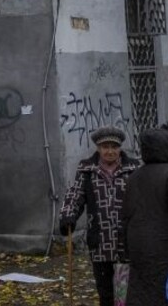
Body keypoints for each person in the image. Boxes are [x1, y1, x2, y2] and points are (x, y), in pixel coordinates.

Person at [60, 126, 140, 306]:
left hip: (127, 240)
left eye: (114, 146)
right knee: (105, 292)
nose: (110, 151)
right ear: (98, 148)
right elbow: (75, 195)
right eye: (105, 147)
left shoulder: (133, 168)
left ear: (120, 148)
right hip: (100, 241)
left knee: (128, 291)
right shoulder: (87, 170)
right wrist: (68, 216)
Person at [122, 125, 168, 306]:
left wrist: (127, 247)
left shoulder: (134, 177)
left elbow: (125, 216)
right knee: (167, 293)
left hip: (139, 247)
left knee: (142, 293)